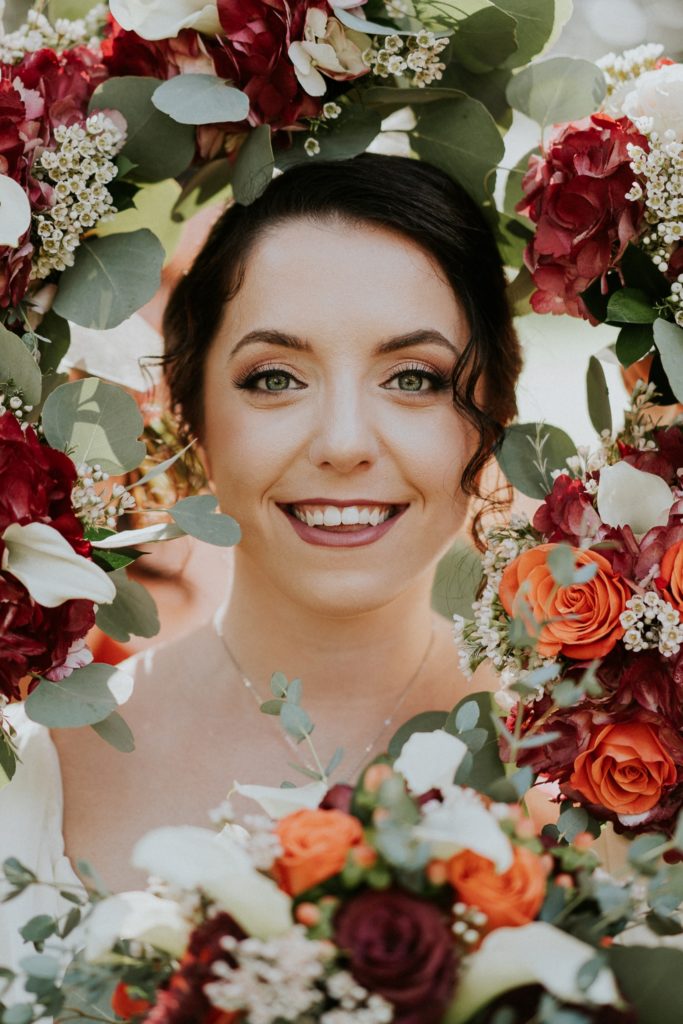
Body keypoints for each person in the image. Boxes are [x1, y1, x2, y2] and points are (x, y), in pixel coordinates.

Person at [2, 154, 522, 924]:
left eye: (413, 377)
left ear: (497, 411)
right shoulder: (35, 766)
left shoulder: (589, 774)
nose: (344, 444)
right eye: (275, 377)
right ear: (193, 416)